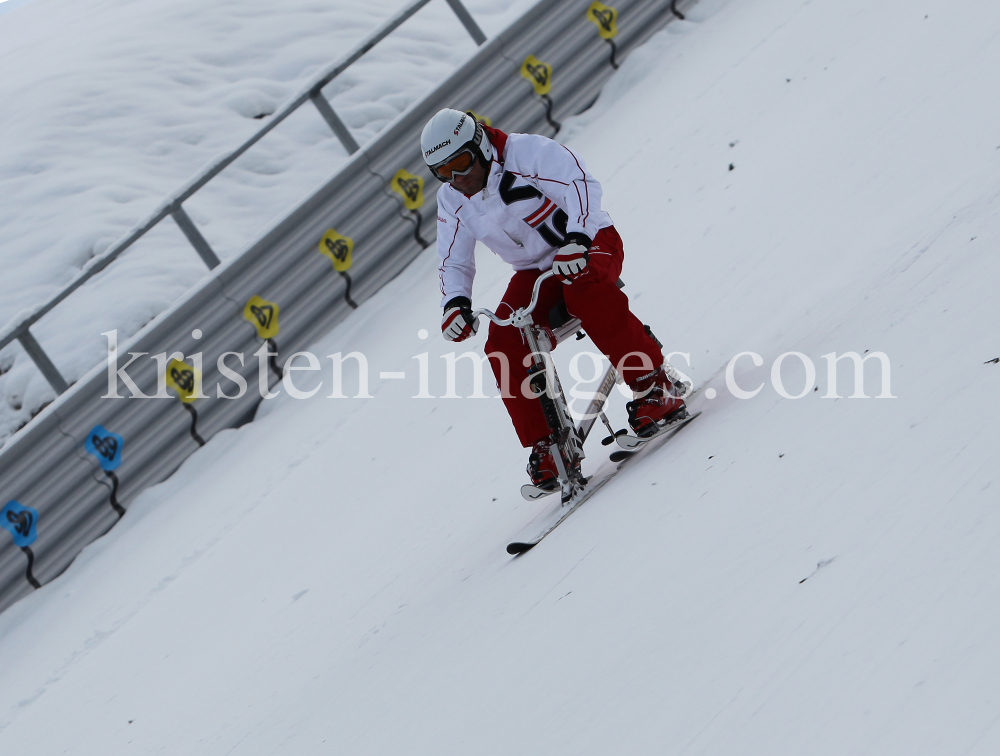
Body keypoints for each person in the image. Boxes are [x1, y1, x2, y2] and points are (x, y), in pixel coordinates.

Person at [422, 108, 687, 490]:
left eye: (461, 163)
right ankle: (549, 446)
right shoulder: (452, 199)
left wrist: (578, 238)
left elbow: (579, 184)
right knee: (502, 339)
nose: (456, 178)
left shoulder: (527, 154)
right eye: (442, 173)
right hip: (534, 271)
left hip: (590, 241)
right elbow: (453, 259)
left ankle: (653, 386)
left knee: (585, 293)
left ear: (479, 145)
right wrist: (455, 304)